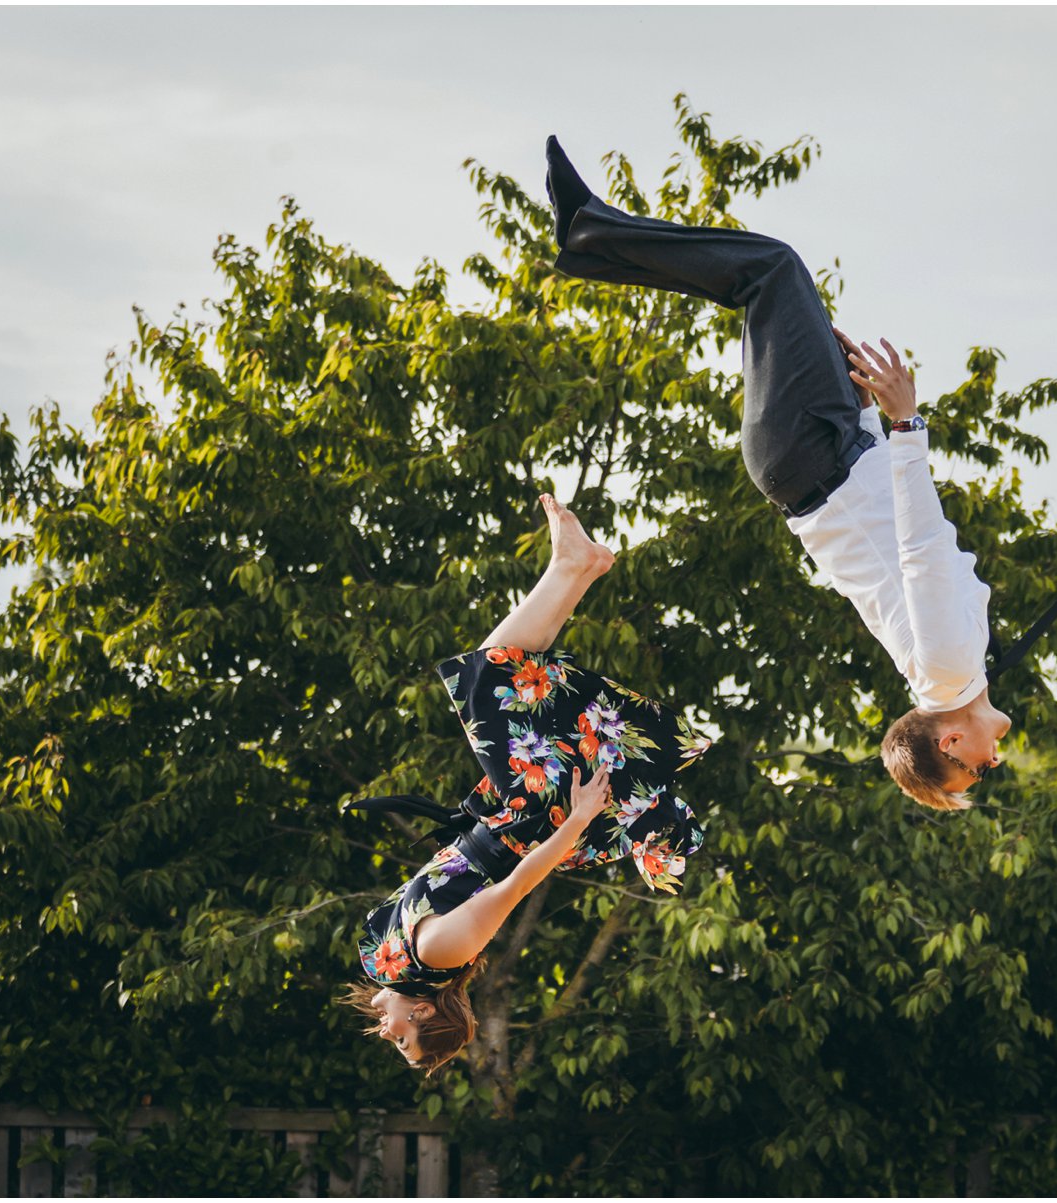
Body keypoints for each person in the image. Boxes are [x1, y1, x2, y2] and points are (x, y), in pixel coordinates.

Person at [543, 135, 1012, 812]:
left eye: (977, 772)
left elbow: (918, 545)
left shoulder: (946, 667)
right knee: (764, 280)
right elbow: (889, 532)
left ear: (951, 745)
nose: (992, 763)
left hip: (811, 455)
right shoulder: (955, 668)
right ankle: (586, 241)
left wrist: (907, 424)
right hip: (832, 448)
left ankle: (586, 230)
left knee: (772, 271)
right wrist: (873, 423)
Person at [343, 494, 711, 1073]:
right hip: (533, 819)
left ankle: (579, 565)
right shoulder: (439, 953)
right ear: (422, 1016)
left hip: (510, 815)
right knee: (494, 674)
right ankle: (573, 565)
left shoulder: (402, 962)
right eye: (401, 1040)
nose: (386, 1032)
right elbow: (516, 885)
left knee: (510, 672)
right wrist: (580, 819)